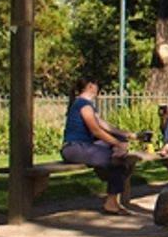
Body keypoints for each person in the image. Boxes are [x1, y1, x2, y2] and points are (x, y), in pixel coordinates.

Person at [61, 76, 147, 216]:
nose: (98, 89)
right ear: (90, 86)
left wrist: (133, 135)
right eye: (96, 85)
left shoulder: (88, 106)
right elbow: (96, 131)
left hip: (85, 146)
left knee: (119, 152)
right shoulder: (83, 105)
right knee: (118, 162)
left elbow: (107, 127)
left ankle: (115, 160)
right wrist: (117, 144)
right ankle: (111, 203)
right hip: (74, 148)